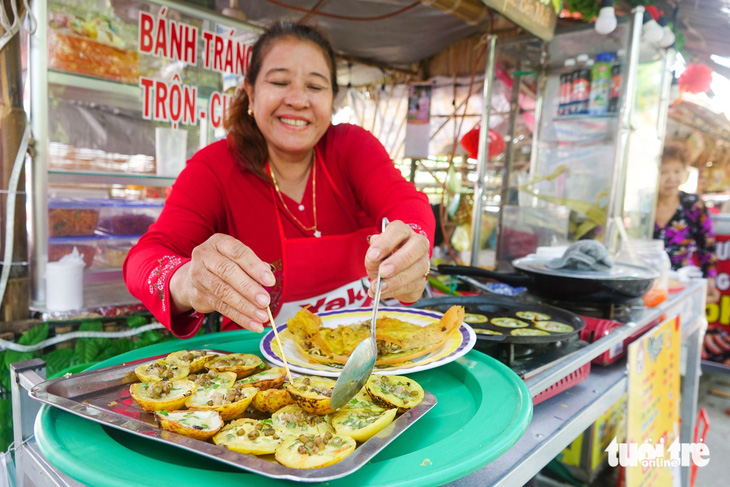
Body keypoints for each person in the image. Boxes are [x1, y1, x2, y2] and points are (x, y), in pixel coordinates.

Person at [124, 21, 435, 338]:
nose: (298, 100)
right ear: (250, 92)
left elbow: (408, 204)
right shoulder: (214, 168)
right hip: (263, 373)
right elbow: (144, 259)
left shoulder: (352, 147)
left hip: (364, 360)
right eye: (279, 82)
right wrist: (188, 281)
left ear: (333, 100)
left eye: (315, 87)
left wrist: (413, 246)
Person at [653, 145, 719, 303]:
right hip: (648, 283)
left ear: (684, 173)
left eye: (677, 171)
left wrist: (710, 279)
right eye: (664, 172)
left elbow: (707, 245)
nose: (672, 178)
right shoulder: (643, 205)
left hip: (680, 284)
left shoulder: (693, 205)